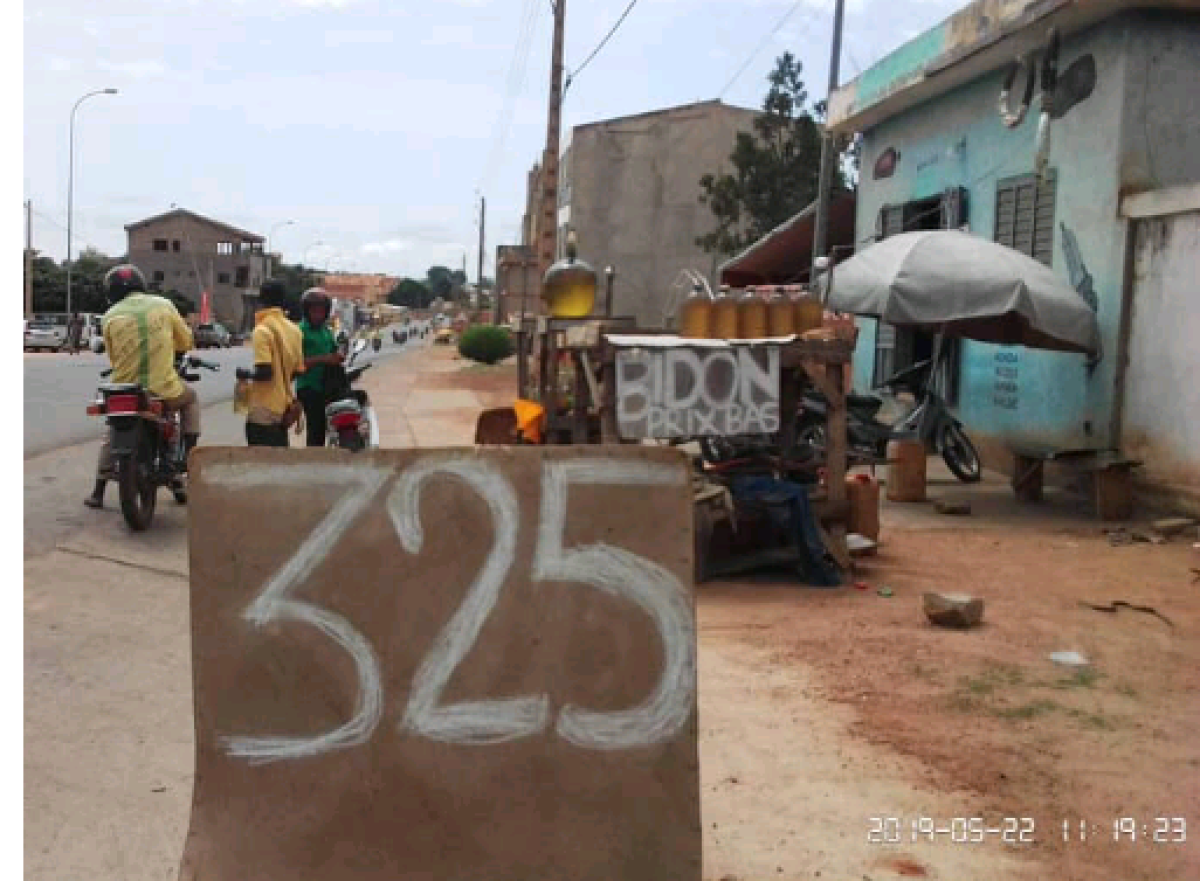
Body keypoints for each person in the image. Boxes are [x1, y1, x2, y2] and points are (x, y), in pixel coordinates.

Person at [85, 265, 199, 509]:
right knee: (191, 399)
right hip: (163, 388)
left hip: (125, 389)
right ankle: (187, 457)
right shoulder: (164, 305)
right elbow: (186, 341)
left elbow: (114, 358)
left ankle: (98, 489)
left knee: (113, 428)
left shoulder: (109, 315)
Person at [236, 279, 304, 447]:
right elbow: (299, 370)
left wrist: (245, 375)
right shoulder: (295, 330)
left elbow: (265, 373)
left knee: (260, 463)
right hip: (284, 408)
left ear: (261, 300)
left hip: (263, 409)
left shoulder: (261, 331)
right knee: (278, 460)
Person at [296, 287, 342, 447]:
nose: (318, 315)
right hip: (309, 386)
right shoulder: (299, 331)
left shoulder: (327, 331)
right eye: (314, 311)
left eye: (321, 311)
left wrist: (338, 356)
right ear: (306, 311)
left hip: (327, 386)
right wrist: (324, 359)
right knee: (316, 429)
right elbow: (297, 363)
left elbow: (334, 351)